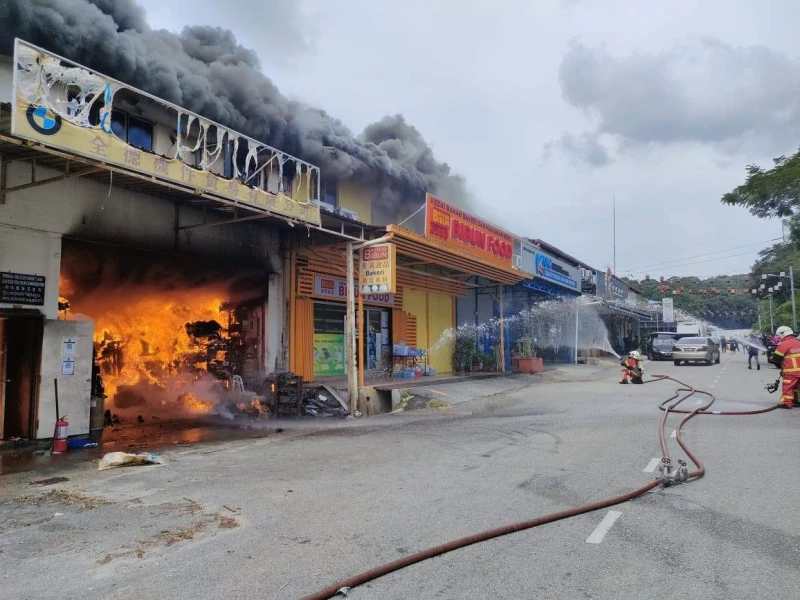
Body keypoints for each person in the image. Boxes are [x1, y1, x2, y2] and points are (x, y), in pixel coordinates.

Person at [769, 326, 800, 409]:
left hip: (791, 371)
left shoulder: (784, 344)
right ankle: (797, 401)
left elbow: (776, 359)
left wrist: (770, 355)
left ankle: (787, 403)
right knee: (797, 386)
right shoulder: (798, 342)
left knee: (788, 387)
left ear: (783, 334)